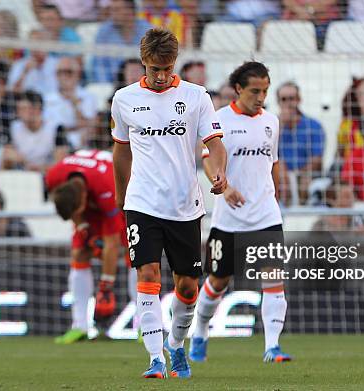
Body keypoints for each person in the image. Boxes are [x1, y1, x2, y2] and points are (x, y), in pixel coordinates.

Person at [112, 28, 227, 379]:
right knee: (147, 274)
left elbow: (214, 144)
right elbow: (121, 150)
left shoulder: (196, 97)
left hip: (184, 205)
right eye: (153, 69)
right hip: (142, 202)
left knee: (187, 286)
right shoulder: (124, 99)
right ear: (143, 63)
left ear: (174, 63)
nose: (160, 76)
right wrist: (121, 195)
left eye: (166, 68)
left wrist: (218, 173)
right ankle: (155, 358)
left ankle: (176, 346)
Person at [189, 61, 292, 365]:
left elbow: (272, 163)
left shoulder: (271, 122)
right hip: (229, 219)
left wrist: (275, 192)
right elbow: (207, 158)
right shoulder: (218, 119)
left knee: (273, 279)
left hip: (266, 216)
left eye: (265, 91)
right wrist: (223, 184)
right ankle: (199, 332)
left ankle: (272, 347)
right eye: (254, 91)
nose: (260, 97)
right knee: (218, 281)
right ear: (238, 89)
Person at [46, 149, 128, 343]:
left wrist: (105, 287)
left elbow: (112, 243)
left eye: (76, 215)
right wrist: (83, 227)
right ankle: (80, 326)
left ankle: (145, 327)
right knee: (79, 253)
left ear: (83, 200)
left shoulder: (106, 186)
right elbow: (71, 211)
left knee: (134, 255)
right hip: (93, 197)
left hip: (122, 195)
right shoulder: (52, 177)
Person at [277, 81, 325, 205]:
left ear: (299, 100)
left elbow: (317, 159)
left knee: (305, 179)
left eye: (292, 98)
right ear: (279, 102)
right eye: (284, 99)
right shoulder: (272, 125)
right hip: (281, 175)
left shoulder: (313, 126)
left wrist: (297, 176)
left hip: (305, 174)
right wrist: (280, 127)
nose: (288, 103)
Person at [3, 90, 69, 171]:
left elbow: (61, 164)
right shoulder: (13, 127)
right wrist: (18, 159)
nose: (19, 113)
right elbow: (6, 161)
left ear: (37, 108)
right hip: (22, 173)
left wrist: (38, 168)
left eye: (24, 109)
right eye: (18, 109)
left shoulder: (56, 128)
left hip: (47, 174)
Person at [90, 0, 152, 82]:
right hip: (112, 87)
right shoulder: (104, 31)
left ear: (130, 11)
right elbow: (99, 65)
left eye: (116, 10)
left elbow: (153, 63)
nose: (112, 14)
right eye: (111, 9)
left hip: (142, 85)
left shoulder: (148, 31)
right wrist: (105, 88)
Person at [44, 57, 97, 149]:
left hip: (80, 146)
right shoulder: (47, 98)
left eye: (68, 72)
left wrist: (75, 104)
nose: (64, 76)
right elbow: (48, 128)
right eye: (60, 72)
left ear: (77, 74)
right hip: (53, 146)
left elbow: (90, 126)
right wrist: (73, 128)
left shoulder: (88, 97)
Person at [7, 29, 59, 94]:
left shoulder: (58, 64)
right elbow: (11, 92)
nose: (35, 47)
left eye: (40, 42)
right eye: (32, 43)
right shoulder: (19, 65)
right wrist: (25, 72)